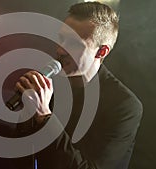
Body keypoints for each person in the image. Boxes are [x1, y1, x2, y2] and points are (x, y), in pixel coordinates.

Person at [14, 2, 143, 169]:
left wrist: (44, 117)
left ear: (101, 52)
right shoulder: (51, 85)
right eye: (61, 38)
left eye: (74, 44)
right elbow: (23, 153)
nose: (60, 50)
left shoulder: (124, 106)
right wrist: (27, 114)